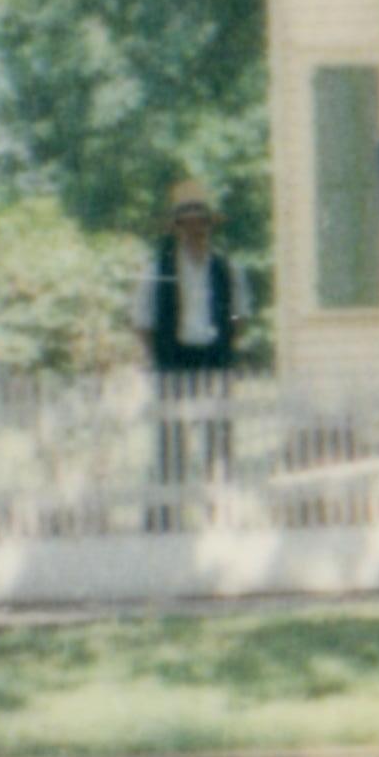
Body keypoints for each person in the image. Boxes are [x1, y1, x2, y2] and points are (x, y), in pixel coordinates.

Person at [132, 179, 255, 517]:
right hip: (174, 361)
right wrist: (160, 358)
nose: (194, 230)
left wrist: (226, 348)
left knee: (219, 442)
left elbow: (239, 316)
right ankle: (167, 517)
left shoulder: (229, 270)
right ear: (176, 227)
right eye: (186, 223)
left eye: (201, 222)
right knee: (170, 444)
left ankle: (221, 514)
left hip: (214, 360)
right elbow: (142, 322)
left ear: (209, 226)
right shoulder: (157, 271)